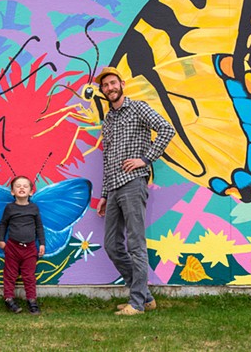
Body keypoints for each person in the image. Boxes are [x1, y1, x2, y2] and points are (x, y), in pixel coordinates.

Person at [94, 67, 176, 316]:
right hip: (114, 188)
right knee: (112, 245)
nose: (109, 88)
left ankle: (137, 303)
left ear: (122, 84)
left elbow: (167, 129)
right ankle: (145, 296)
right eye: (105, 86)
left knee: (136, 244)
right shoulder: (108, 121)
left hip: (133, 183)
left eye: (112, 83)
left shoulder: (138, 108)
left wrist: (145, 159)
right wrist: (105, 195)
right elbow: (108, 160)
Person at [0, 176, 45, 315]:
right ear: (12, 192)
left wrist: (42, 243)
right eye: (18, 186)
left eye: (25, 186)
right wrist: (1, 239)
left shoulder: (34, 208)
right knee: (10, 274)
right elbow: (3, 224)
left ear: (31, 192)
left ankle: (31, 300)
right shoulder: (10, 208)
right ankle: (8, 298)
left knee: (29, 276)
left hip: (30, 248)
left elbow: (39, 227)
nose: (22, 188)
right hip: (12, 247)